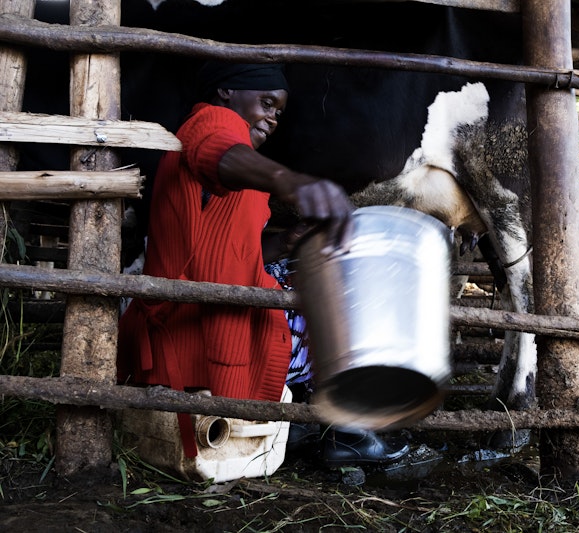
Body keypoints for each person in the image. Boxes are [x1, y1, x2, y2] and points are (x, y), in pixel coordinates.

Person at [117, 61, 408, 467]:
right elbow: (215, 147)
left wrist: (289, 241)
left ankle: (317, 422)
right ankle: (348, 430)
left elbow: (233, 251)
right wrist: (292, 182)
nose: (273, 118)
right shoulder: (210, 122)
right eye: (267, 103)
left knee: (317, 261)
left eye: (278, 112)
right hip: (194, 326)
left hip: (210, 316)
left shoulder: (243, 173)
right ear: (227, 93)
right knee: (350, 283)